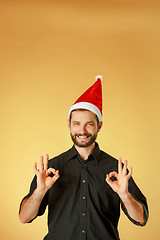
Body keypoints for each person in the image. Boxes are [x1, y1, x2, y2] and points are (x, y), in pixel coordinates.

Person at [19, 75, 149, 240]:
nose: (82, 130)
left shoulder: (117, 170)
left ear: (99, 126)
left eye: (89, 124)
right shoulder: (50, 168)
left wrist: (124, 195)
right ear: (69, 125)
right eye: (76, 123)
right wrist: (40, 191)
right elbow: (24, 217)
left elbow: (141, 218)